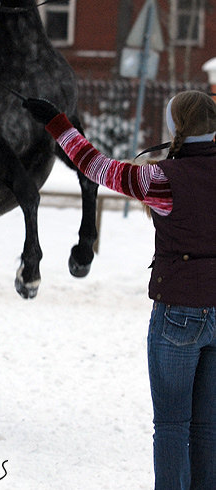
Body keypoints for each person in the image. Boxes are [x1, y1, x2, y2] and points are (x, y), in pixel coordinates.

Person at [23, 90, 216, 490]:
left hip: (179, 314)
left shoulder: (160, 178)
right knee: (208, 428)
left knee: (171, 426)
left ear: (175, 128)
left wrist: (60, 124)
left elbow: (96, 167)